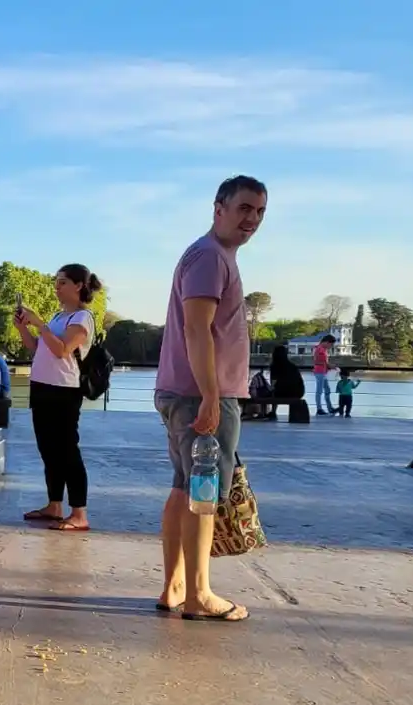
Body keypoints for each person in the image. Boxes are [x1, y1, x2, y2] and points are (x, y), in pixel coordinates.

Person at [152, 175, 266, 623]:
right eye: (243, 208)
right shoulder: (209, 258)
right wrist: (212, 396)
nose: (252, 219)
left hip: (185, 391)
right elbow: (196, 328)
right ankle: (199, 592)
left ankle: (176, 585)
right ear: (218, 207)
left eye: (259, 212)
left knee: (184, 487)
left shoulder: (208, 255)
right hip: (198, 393)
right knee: (203, 491)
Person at [15, 264, 102, 532]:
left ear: (79, 286)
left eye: (63, 282)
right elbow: (38, 349)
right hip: (42, 386)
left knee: (66, 449)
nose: (57, 287)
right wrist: (23, 328)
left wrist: (40, 323)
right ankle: (54, 505)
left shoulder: (82, 318)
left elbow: (63, 350)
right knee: (48, 448)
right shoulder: (57, 317)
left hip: (64, 390)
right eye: (56, 282)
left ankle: (79, 513)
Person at [266, 343, 304, 421]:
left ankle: (273, 411)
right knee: (280, 389)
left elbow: (273, 383)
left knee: (274, 392)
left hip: (282, 393)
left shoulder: (275, 366)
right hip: (298, 392)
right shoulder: (292, 366)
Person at [312, 334, 336, 416]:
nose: (331, 346)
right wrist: (330, 366)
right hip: (320, 372)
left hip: (322, 371)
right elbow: (318, 361)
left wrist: (328, 366)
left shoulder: (321, 349)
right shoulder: (320, 349)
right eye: (331, 344)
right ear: (327, 342)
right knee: (320, 391)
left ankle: (329, 408)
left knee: (327, 390)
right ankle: (319, 409)